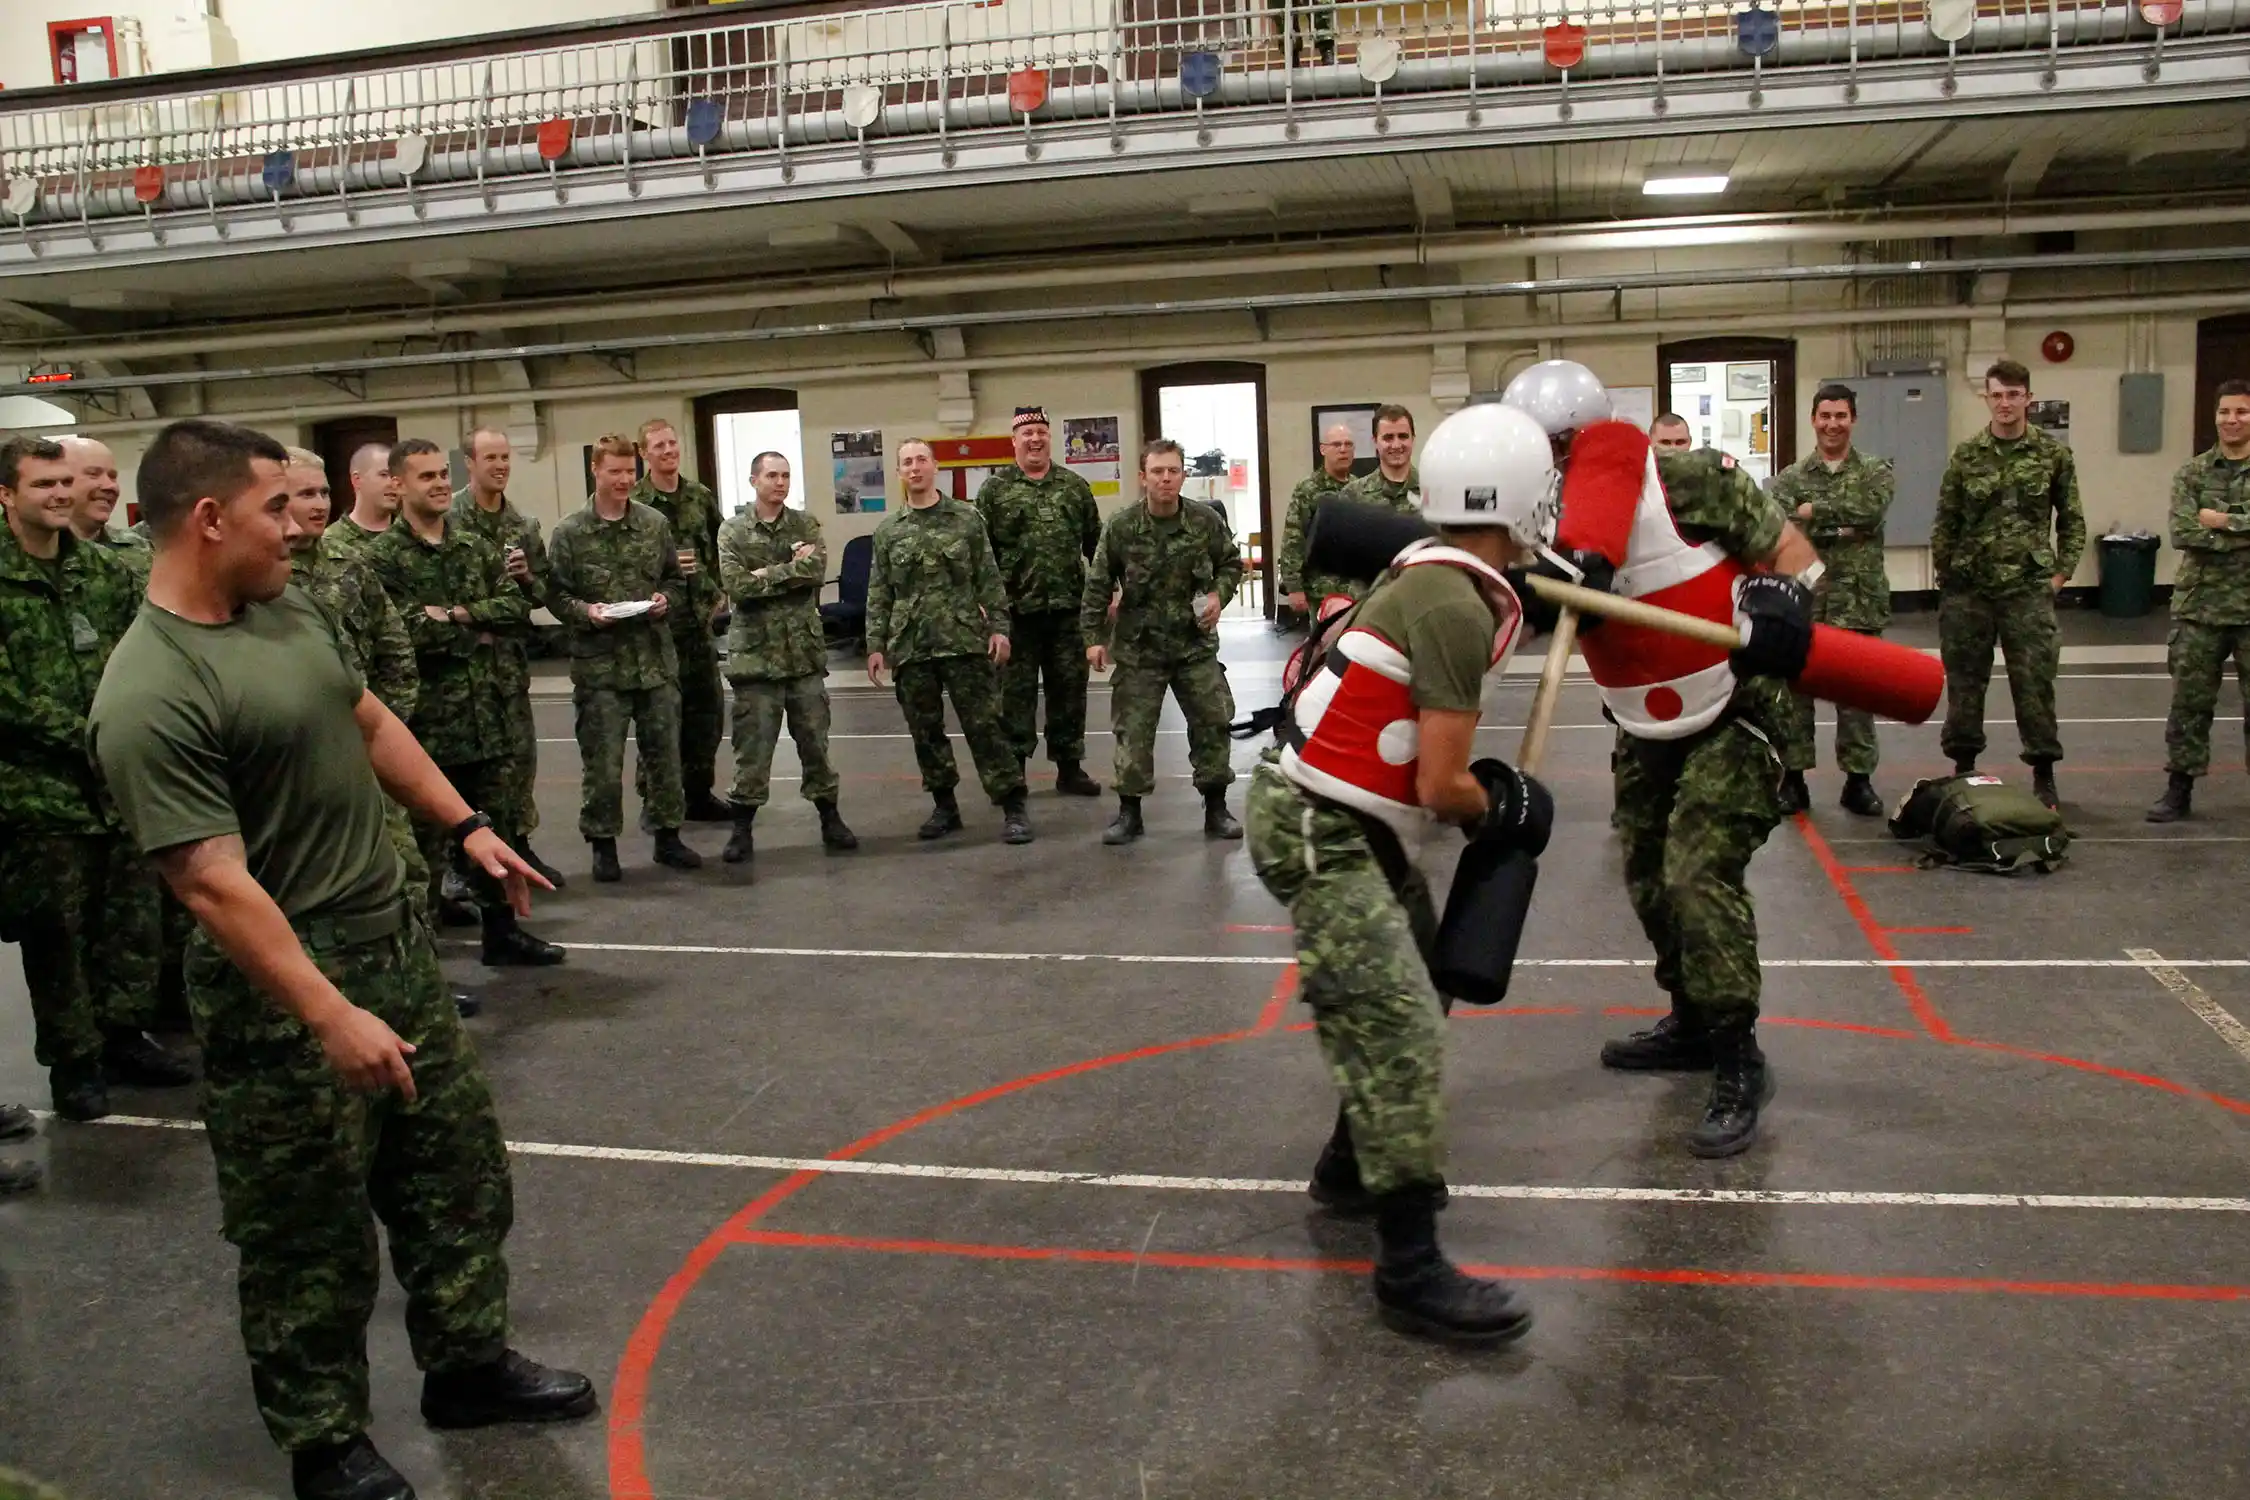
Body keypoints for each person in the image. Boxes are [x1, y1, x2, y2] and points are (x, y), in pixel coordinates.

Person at [86, 418, 595, 1500]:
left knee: (456, 1175)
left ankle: (466, 1366)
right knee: (306, 1229)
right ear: (209, 518)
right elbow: (210, 881)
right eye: (276, 507)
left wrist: (467, 825)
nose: (298, 524)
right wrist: (327, 1013)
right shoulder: (150, 688)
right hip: (284, 991)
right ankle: (324, 1443)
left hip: (391, 945)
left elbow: (366, 720)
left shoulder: (288, 608)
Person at [1244, 402, 1558, 1346]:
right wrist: (1503, 808)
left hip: (1355, 821)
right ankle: (1410, 1268)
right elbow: (1442, 784)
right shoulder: (1453, 604)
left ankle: (1350, 1165)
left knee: (1421, 978)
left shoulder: (1434, 573)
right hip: (1322, 828)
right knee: (1403, 1028)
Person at [1581, 419, 1824, 1159]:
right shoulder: (1540, 521)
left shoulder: (1688, 483)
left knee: (1696, 871)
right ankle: (1690, 1019)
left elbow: (1795, 553)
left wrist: (1784, 604)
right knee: (1646, 872)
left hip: (1737, 707)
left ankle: (1737, 1057)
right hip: (1647, 718)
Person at [0, 435, 193, 1124]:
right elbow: (7, 700)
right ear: (6, 495)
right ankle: (74, 1064)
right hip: (36, 794)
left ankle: (123, 1037)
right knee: (59, 938)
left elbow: (143, 655)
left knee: (130, 924)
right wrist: (94, 733)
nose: (60, 494)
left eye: (64, 483)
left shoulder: (104, 572)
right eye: (42, 485)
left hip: (116, 785)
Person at [282, 451, 482, 1022]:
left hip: (366, 755)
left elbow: (395, 653)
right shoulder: (260, 573)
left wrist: (379, 729)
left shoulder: (350, 566)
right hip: (299, 768)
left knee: (409, 871)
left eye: (322, 493)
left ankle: (420, 987)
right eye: (302, 494)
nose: (317, 505)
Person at [366, 441, 565, 966]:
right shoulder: (382, 558)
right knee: (425, 852)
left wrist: (454, 614)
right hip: (428, 727)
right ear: (398, 485)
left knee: (494, 832)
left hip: (488, 718)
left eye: (441, 474)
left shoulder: (475, 546)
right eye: (425, 476)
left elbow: (515, 608)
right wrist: (477, 627)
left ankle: (503, 936)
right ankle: (426, 963)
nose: (438, 484)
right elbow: (404, 632)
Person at [548, 433, 704, 881]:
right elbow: (555, 594)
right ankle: (603, 845)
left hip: (654, 663)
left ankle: (668, 836)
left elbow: (675, 579)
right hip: (600, 669)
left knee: (665, 759)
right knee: (603, 765)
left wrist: (664, 600)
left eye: (629, 472)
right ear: (595, 470)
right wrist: (586, 612)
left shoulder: (654, 524)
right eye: (613, 471)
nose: (623, 480)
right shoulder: (570, 532)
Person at [1932, 358, 2085, 809]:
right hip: (1970, 589)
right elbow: (1946, 521)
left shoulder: (2052, 454)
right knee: (1964, 683)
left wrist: (2060, 574)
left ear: (2028, 399)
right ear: (1987, 398)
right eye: (1997, 395)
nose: (2005, 403)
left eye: (2013, 395)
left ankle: (2043, 772)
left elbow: (2072, 520)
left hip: (2027, 588)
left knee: (2034, 683)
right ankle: (1963, 768)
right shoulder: (1967, 455)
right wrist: (1947, 578)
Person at [865, 439, 1032, 844]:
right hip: (911, 644)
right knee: (925, 732)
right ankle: (945, 806)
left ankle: (1012, 806)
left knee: (986, 725)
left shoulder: (966, 519)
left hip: (963, 639)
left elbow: (988, 577)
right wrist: (875, 645)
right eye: (907, 462)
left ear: (934, 466)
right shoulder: (888, 531)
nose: (915, 467)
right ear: (899, 472)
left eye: (921, 459)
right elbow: (880, 591)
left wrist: (999, 628)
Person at [1083, 438, 1245, 845]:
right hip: (1140, 650)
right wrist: (1094, 638)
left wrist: (1218, 596)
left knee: (1212, 724)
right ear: (1143, 477)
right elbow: (1098, 583)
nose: (1166, 478)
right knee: (1133, 733)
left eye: (1173, 470)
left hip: (1194, 647)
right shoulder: (1121, 527)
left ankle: (1216, 808)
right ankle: (1130, 813)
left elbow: (1230, 563)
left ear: (1183, 475)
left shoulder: (1205, 521)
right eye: (1157, 471)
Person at [715, 450, 856, 862]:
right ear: (754, 480)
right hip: (756, 659)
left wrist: (766, 573)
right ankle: (742, 829)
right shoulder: (733, 530)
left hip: (802, 656)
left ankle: (830, 817)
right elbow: (737, 587)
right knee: (752, 750)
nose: (780, 482)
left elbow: (815, 572)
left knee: (815, 743)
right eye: (772, 475)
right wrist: (789, 570)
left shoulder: (804, 524)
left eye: (786, 476)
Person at [1770, 383, 1893, 818]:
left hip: (1857, 599)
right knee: (1795, 693)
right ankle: (1793, 778)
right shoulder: (1790, 478)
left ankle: (1858, 781)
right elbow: (1782, 523)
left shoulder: (1876, 471)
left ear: (1853, 419)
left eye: (1841, 416)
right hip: (1804, 599)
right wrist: (1842, 522)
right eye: (1825, 416)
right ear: (1813, 419)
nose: (1832, 424)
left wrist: (1813, 512)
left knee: (1856, 693)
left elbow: (1870, 511)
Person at [451, 428, 566, 889]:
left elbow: (541, 595)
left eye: (505, 457)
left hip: (509, 663)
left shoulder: (523, 525)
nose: (500, 466)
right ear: (470, 462)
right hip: (460, 665)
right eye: (491, 458)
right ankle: (462, 861)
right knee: (464, 767)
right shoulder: (449, 519)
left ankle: (519, 842)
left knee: (519, 760)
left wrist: (525, 579)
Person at [974, 406, 1104, 797]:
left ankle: (1070, 768)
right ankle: (1013, 772)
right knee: (1014, 697)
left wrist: (1109, 592)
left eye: (1041, 432)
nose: (1035, 439)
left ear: (1050, 438)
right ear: (1014, 441)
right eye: (1027, 433)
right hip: (1016, 614)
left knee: (1070, 692)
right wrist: (985, 604)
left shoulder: (1074, 487)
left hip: (1067, 613)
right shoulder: (994, 490)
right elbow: (981, 554)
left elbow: (1097, 546)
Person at [2148, 379, 2250, 823]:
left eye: (2242, 412)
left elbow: (2204, 529)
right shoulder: (2193, 473)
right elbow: (2183, 532)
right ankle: (2179, 789)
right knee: (2189, 704)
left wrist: (2221, 521)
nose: (2232, 420)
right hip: (2200, 608)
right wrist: (2243, 531)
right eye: (2225, 411)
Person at [629, 418, 732, 824]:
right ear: (644, 453)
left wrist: (718, 591)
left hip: (698, 626)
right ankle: (654, 799)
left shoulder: (699, 496)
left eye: (672, 443)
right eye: (659, 445)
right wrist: (666, 567)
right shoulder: (635, 501)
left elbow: (721, 544)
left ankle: (698, 793)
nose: (668, 450)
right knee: (660, 718)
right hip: (657, 628)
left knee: (707, 714)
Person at [1275, 423, 1359, 619]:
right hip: (1321, 590)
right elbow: (1293, 538)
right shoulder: (1308, 489)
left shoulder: (1360, 487)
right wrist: (1294, 587)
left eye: (1348, 444)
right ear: (1323, 449)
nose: (1343, 450)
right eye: (1336, 444)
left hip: (1356, 589)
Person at [1340, 404, 1423, 513]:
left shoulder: (1433, 492)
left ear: (1413, 439)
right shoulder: (1352, 495)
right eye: (1388, 438)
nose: (1396, 445)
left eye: (1403, 436)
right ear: (1375, 442)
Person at [324, 443, 401, 560]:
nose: (393, 484)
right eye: (384, 475)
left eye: (396, 477)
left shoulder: (413, 536)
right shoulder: (329, 543)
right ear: (357, 480)